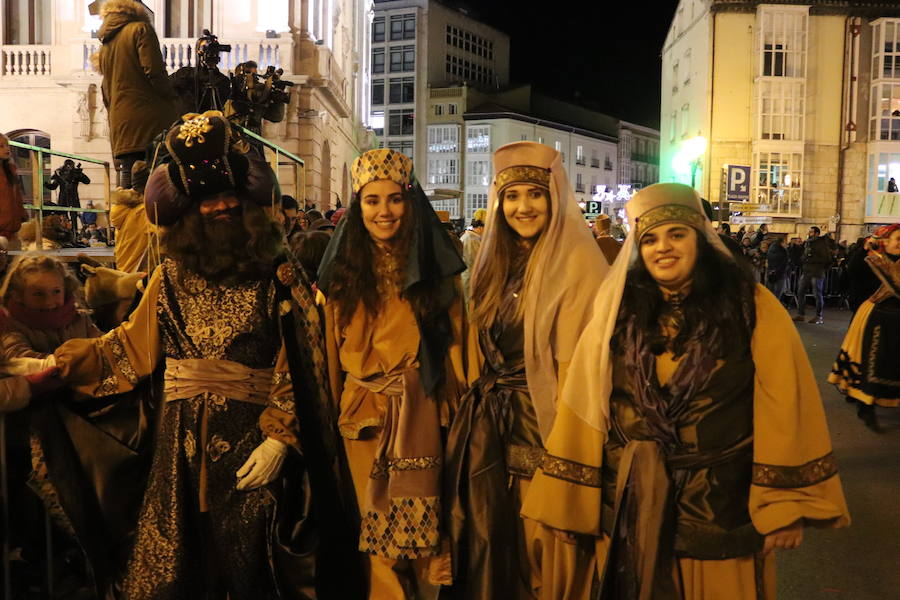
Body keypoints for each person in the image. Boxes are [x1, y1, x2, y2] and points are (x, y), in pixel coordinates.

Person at [45, 112, 363, 599]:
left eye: (229, 196)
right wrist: (53, 367)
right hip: (179, 449)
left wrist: (281, 438)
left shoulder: (279, 271)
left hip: (253, 442)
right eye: (206, 198)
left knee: (251, 569)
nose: (220, 206)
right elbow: (128, 348)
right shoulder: (170, 275)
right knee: (174, 569)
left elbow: (306, 358)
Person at [520, 183, 850, 599]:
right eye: (651, 239)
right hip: (629, 499)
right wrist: (568, 501)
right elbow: (585, 408)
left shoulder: (752, 305)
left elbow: (785, 404)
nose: (664, 248)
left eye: (677, 234)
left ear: (701, 239)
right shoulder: (616, 312)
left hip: (718, 504)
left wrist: (784, 504)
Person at [444, 142, 607, 600]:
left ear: (554, 197)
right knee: (493, 551)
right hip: (491, 430)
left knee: (544, 554)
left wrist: (573, 462)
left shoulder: (579, 263)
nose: (523, 207)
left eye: (534, 195)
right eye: (511, 196)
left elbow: (584, 373)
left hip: (547, 427)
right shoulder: (491, 263)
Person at [316, 148, 468, 599]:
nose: (384, 211)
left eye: (395, 199)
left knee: (428, 538)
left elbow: (458, 345)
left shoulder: (439, 274)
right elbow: (324, 353)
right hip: (362, 420)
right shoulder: (340, 276)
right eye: (372, 200)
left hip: (425, 413)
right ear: (357, 206)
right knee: (377, 537)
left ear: (410, 201)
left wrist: (460, 413)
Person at [91, 0, 179, 188]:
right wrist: (173, 97)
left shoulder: (106, 45)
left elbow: (105, 91)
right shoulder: (141, 29)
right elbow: (154, 72)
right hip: (150, 120)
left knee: (128, 187)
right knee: (158, 185)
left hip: (121, 123)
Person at [829, 224, 900, 432]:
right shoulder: (869, 259)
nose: (899, 244)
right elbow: (855, 273)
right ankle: (865, 404)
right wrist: (866, 253)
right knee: (871, 362)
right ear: (883, 242)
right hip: (876, 317)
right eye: (896, 239)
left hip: (894, 318)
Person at [110, 161, 158, 273]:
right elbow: (165, 234)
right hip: (137, 276)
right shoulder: (143, 211)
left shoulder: (123, 207)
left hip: (124, 270)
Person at [794, 226, 834, 324]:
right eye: (810, 232)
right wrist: (803, 258)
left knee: (817, 294)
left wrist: (811, 260)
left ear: (817, 233)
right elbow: (805, 254)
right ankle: (801, 314)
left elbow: (826, 259)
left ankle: (818, 316)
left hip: (817, 271)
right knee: (800, 291)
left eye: (812, 232)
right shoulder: (808, 242)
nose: (809, 233)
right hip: (807, 270)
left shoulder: (821, 244)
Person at [0, 133, 27, 250]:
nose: (7, 148)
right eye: (1, 146)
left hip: (12, 231)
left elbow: (17, 198)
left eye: (7, 145)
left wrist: (22, 215)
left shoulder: (10, 169)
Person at [459, 208, 486, 302]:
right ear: (481, 227)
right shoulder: (471, 240)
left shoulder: (472, 238)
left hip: (471, 279)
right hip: (470, 280)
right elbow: (476, 263)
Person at [766, 235, 789, 302]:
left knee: (770, 291)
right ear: (781, 242)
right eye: (785, 242)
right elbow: (784, 263)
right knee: (778, 292)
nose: (786, 244)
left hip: (771, 272)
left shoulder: (771, 249)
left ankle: (770, 305)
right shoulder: (783, 251)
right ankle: (775, 306)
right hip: (780, 273)